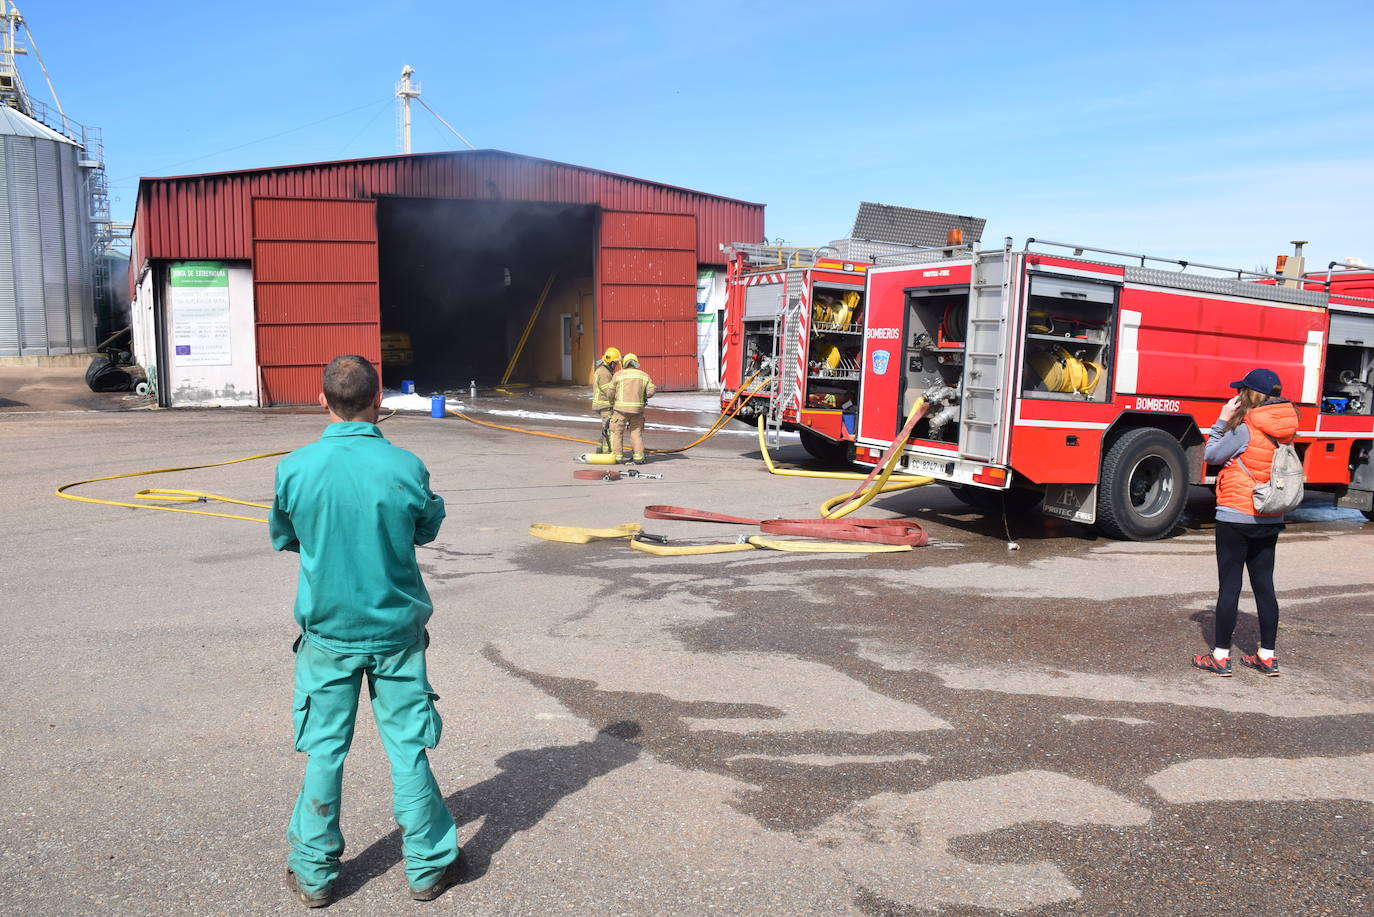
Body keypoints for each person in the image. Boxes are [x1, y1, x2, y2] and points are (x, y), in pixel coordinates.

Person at [270, 355, 461, 907]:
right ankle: (427, 866)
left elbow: (285, 535)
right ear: (380, 401)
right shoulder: (405, 465)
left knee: (325, 750)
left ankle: (314, 873)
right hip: (396, 633)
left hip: (327, 633)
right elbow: (426, 526)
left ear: (321, 399)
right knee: (408, 748)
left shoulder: (295, 467)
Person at [1191, 367, 1300, 678]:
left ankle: (1220, 657)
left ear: (1248, 394)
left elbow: (1211, 454)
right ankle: (1267, 657)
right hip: (1270, 514)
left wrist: (1222, 420)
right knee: (1265, 586)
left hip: (1236, 516)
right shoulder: (1287, 430)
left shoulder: (1245, 430)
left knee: (1230, 587)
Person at [606, 352, 656, 464]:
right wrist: (643, 395)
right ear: (636, 363)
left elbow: (610, 393)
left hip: (620, 410)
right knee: (636, 433)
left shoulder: (618, 375)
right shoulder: (644, 375)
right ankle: (638, 457)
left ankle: (617, 457)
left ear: (624, 363)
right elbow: (651, 391)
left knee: (617, 432)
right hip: (637, 411)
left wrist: (612, 402)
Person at [589, 347, 621, 453]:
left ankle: (600, 448)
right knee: (608, 429)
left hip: (604, 404)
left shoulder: (606, 370)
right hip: (604, 404)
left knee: (605, 427)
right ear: (610, 362)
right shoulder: (604, 372)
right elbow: (608, 391)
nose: (616, 365)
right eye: (615, 363)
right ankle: (607, 452)